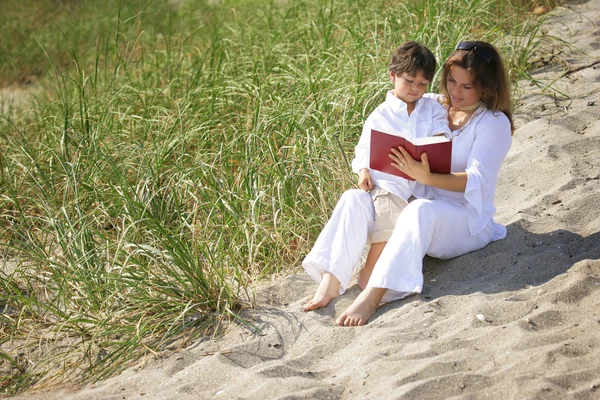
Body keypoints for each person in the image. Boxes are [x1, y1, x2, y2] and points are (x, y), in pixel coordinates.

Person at [304, 40, 514, 327]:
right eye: (451, 81)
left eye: (467, 86)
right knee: (353, 199)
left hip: (464, 219)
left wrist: (426, 177)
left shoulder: (493, 123)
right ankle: (332, 279)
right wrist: (367, 168)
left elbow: (477, 180)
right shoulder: (433, 105)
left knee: (420, 210)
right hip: (418, 204)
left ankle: (375, 293)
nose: (455, 92)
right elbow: (388, 123)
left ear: (487, 87)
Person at [302, 41, 451, 312]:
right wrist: (363, 171)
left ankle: (358, 273)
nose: (416, 89)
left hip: (417, 186)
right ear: (392, 76)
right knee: (361, 200)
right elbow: (364, 150)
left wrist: (438, 138)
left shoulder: (432, 108)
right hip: (386, 181)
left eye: (423, 83)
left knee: (375, 202)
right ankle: (336, 277)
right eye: (409, 81)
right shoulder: (380, 115)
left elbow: (443, 131)